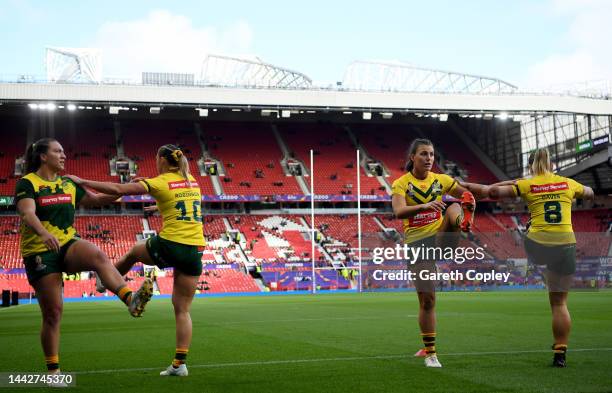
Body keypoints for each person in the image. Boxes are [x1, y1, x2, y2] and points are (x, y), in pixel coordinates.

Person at [15, 138, 153, 379]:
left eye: (64, 152)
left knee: (98, 255)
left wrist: (124, 189)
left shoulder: (68, 184)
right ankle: (53, 371)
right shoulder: (28, 183)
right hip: (39, 250)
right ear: (43, 157)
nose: (64, 155)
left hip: (67, 242)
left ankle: (130, 299)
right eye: (58, 151)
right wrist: (44, 232)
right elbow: (27, 213)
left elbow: (97, 200)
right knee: (53, 313)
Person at [66, 144, 205, 377]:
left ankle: (105, 280)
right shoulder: (192, 180)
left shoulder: (160, 181)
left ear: (161, 159)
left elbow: (118, 188)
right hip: (195, 249)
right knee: (182, 310)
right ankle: (179, 365)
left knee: (133, 252)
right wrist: (158, 205)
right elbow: (181, 206)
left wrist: (83, 181)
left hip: (171, 244)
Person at [461, 148, 594, 368]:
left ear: (532, 166)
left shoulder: (528, 184)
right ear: (552, 165)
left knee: (531, 230)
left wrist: (518, 181)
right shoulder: (568, 183)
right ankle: (560, 353)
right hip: (566, 245)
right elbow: (589, 192)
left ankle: (532, 235)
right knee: (560, 303)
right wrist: (583, 193)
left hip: (539, 246)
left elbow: (491, 192)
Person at [391, 138, 475, 368]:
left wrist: (474, 201)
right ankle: (430, 352)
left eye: (431, 154)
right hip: (417, 244)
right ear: (413, 158)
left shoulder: (442, 180)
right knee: (427, 301)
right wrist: (424, 206)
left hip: (441, 237)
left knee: (455, 205)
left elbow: (467, 193)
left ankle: (463, 223)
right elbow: (399, 211)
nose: (429, 159)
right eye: (424, 154)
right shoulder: (401, 184)